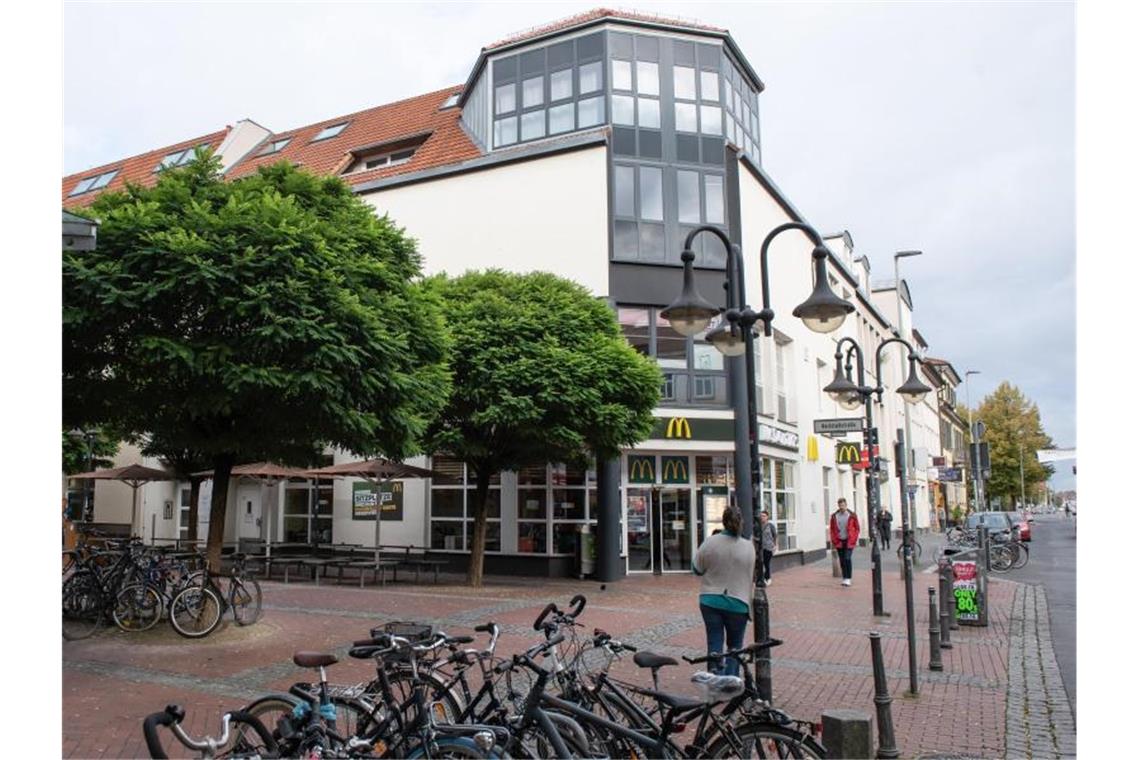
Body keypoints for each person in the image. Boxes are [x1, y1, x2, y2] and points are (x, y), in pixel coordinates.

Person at [692, 505, 755, 677]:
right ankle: (731, 683)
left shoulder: (710, 542)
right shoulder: (748, 547)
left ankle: (715, 681)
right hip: (738, 602)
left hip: (710, 599)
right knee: (735, 647)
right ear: (741, 521)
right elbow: (753, 575)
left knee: (714, 642)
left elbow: (697, 568)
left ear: (723, 521)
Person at [829, 498, 860, 587]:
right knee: (842, 560)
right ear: (838, 506)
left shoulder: (852, 515)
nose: (842, 507)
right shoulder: (834, 516)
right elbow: (832, 529)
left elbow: (857, 528)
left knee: (847, 558)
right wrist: (834, 539)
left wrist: (854, 538)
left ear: (846, 505)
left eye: (843, 505)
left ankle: (848, 578)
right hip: (839, 541)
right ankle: (844, 578)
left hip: (849, 540)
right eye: (840, 505)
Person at [757, 510, 777, 586]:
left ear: (767, 517)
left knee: (766, 563)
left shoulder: (770, 526)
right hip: (761, 548)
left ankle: (768, 578)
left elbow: (775, 536)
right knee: (761, 563)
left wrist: (775, 546)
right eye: (761, 516)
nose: (762, 517)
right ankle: (763, 578)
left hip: (768, 547)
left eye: (764, 516)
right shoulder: (759, 526)